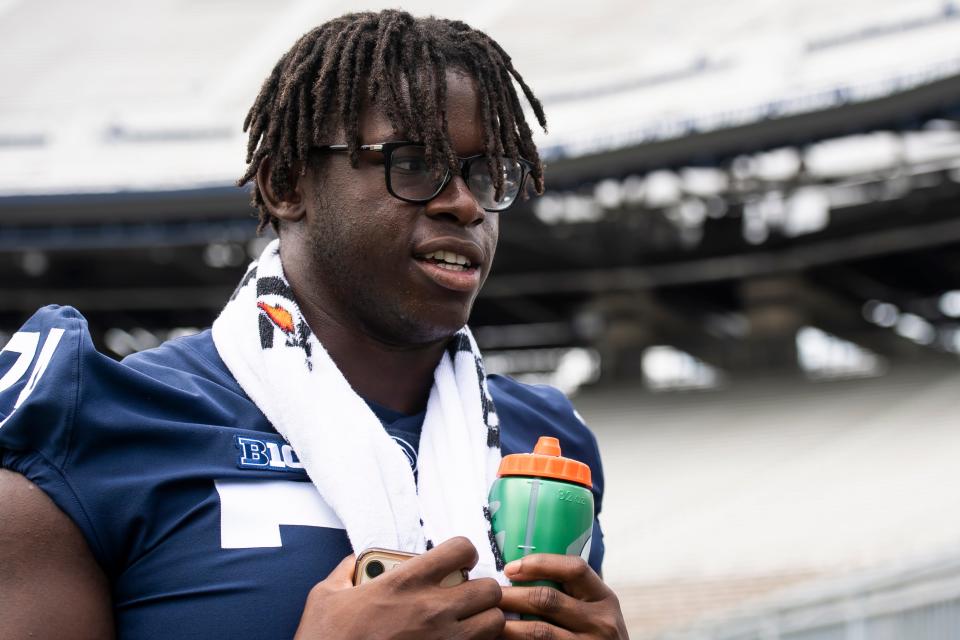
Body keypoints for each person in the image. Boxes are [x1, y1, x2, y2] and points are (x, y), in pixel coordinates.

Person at [0, 10, 628, 640]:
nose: (465, 203)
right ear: (284, 183)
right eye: (412, 164)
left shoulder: (547, 444)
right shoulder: (101, 427)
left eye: (486, 174)